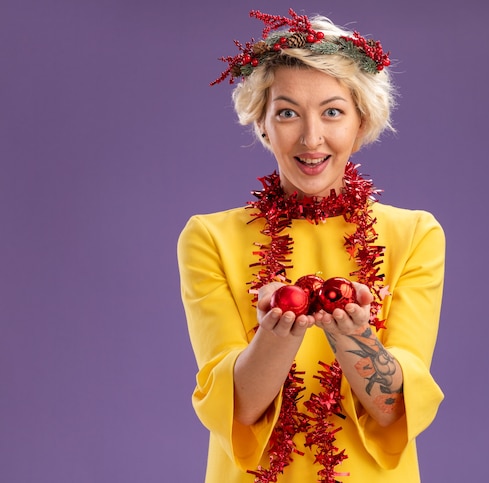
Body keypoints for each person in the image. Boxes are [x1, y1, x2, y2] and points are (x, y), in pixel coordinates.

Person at [177, 9, 445, 483]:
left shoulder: (415, 235)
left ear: (361, 123)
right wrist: (279, 333)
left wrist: (352, 334)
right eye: (286, 113)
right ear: (262, 123)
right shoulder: (209, 238)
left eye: (333, 112)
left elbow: (392, 412)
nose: (311, 137)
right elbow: (237, 408)